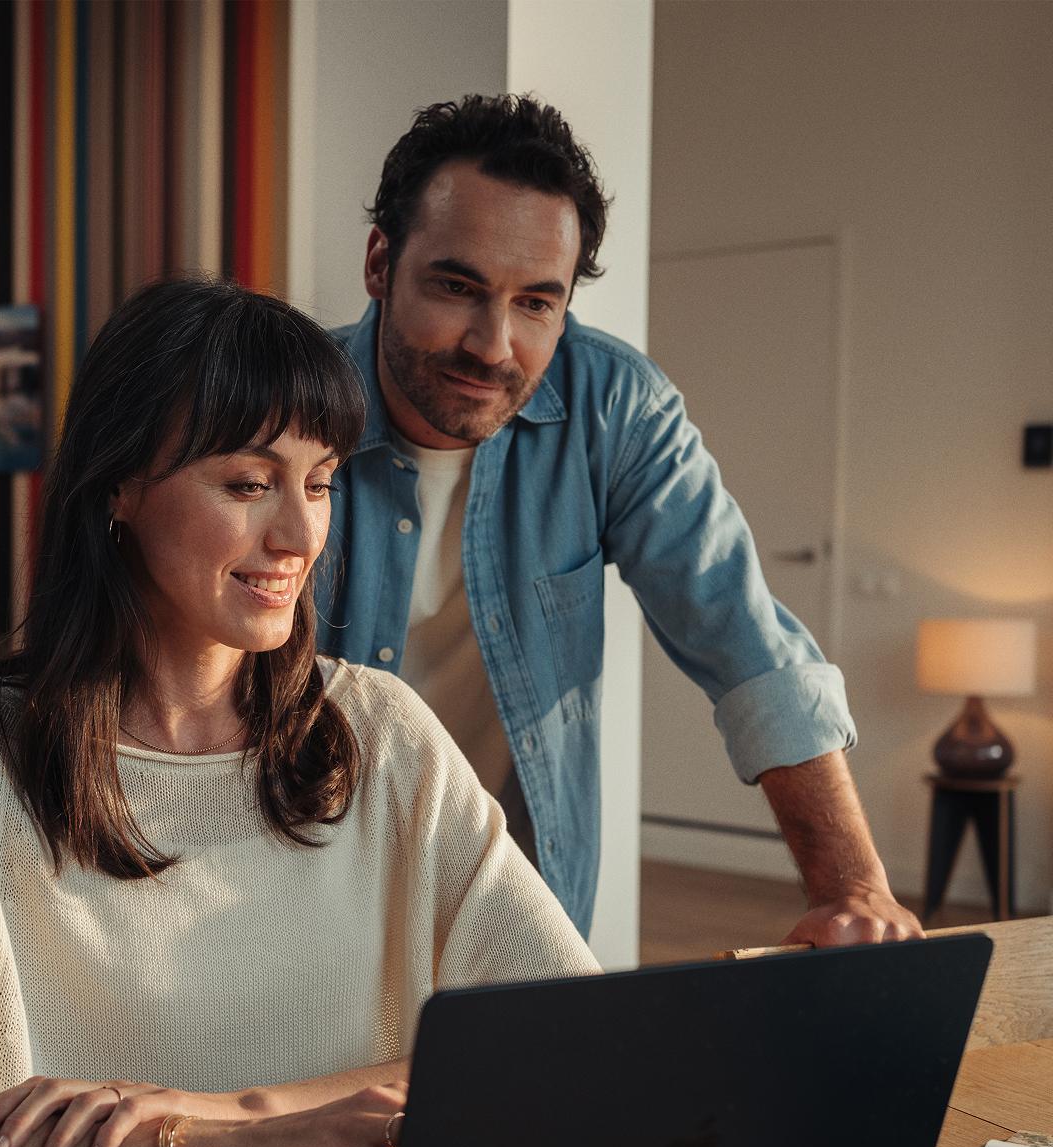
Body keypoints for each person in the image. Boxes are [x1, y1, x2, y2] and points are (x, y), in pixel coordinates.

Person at [0, 278, 597, 1147]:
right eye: (246, 483)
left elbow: (583, 1046)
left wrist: (240, 1117)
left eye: (317, 483)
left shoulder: (383, 735)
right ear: (119, 488)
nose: (297, 533)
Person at [319, 94, 921, 946]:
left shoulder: (616, 409)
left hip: (514, 896)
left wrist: (851, 887)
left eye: (536, 303)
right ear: (381, 262)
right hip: (308, 885)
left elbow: (748, 644)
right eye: (458, 287)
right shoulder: (280, 408)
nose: (494, 345)